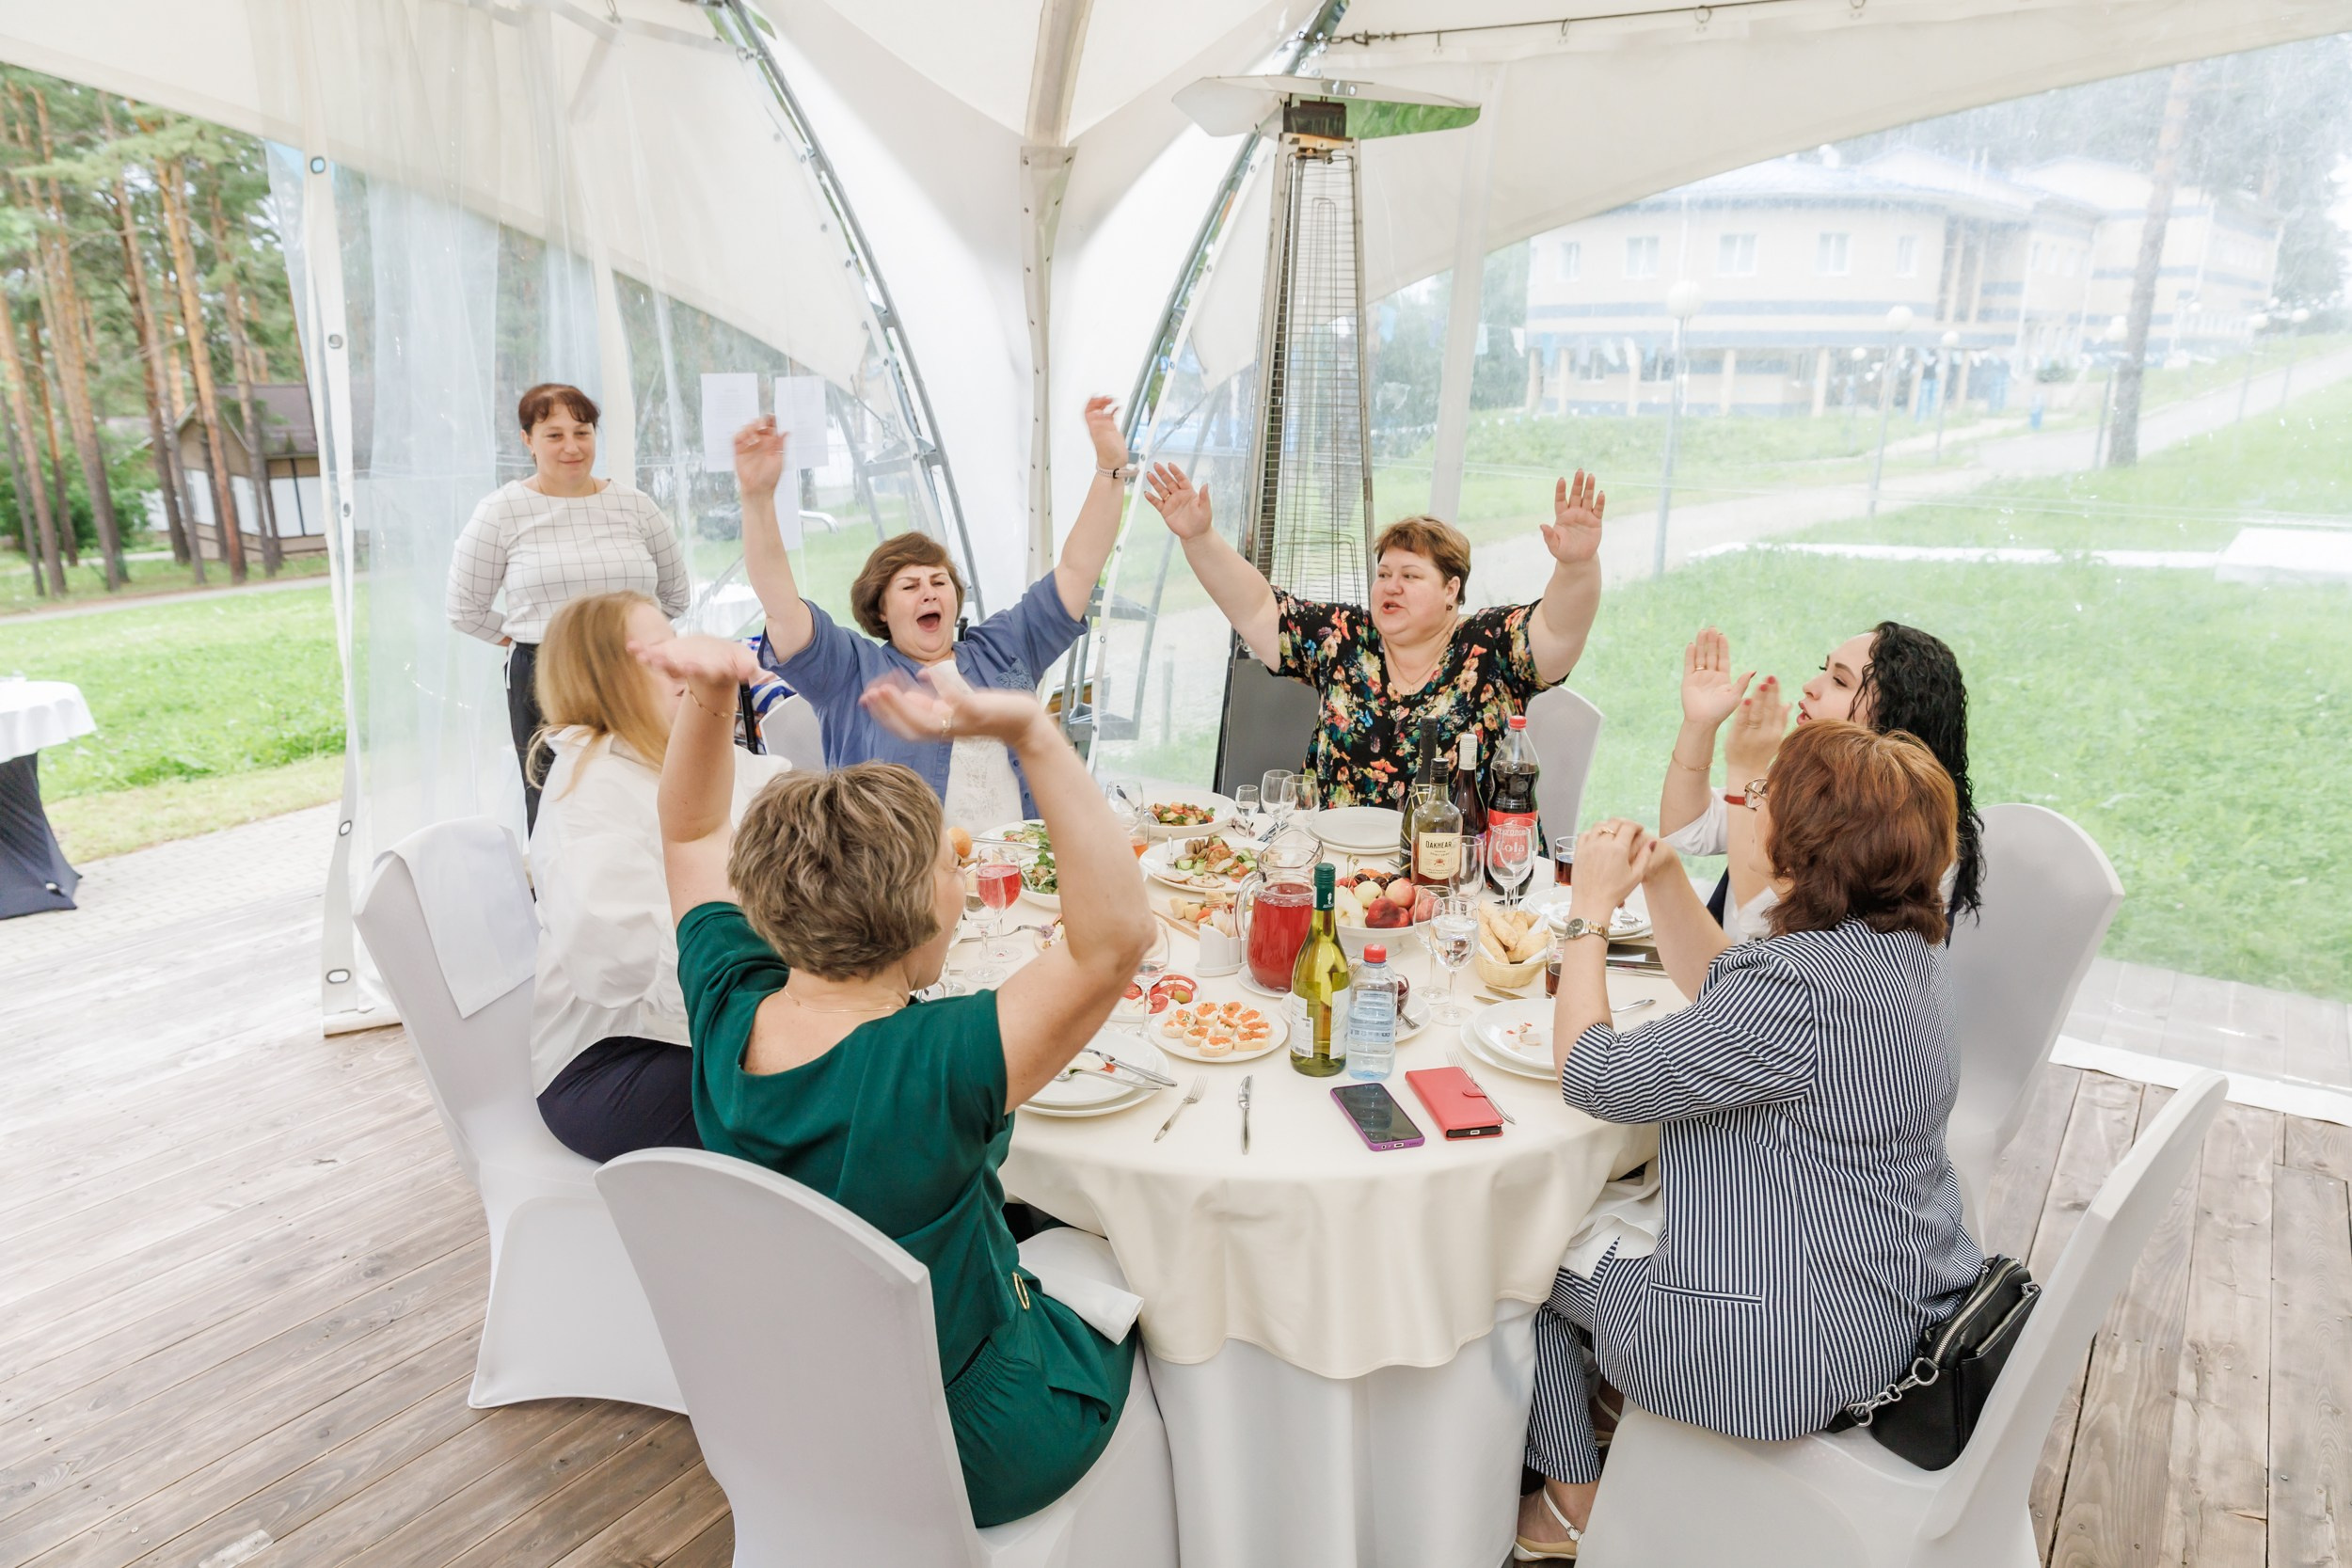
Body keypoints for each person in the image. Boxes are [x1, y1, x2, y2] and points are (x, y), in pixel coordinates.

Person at [638, 631, 1153, 1527]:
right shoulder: (939, 1061)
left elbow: (687, 829)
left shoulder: (726, 1004)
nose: (963, 875)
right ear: (919, 907)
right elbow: (1113, 938)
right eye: (952, 865)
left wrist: (715, 693)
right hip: (970, 1445)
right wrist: (1032, 729)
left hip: (802, 1416)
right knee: (1161, 1301)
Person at [1515, 720, 1983, 1559]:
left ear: (1808, 841)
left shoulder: (1796, 986)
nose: (1749, 804)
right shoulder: (1902, 953)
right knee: (1614, 1216)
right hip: (1894, 1304)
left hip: (1779, 1357)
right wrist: (1663, 876)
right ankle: (1629, 1415)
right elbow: (1724, 988)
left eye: (1764, 795)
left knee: (1526, 1256)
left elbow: (1592, 1071)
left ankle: (1572, 1500)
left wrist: (1586, 915)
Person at [736, 396, 1133, 831]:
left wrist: (1110, 470)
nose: (929, 592)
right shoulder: (852, 670)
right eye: (909, 586)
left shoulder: (1003, 646)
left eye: (939, 582)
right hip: (907, 885)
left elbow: (1078, 570)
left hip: (1021, 875)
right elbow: (781, 605)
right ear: (881, 610)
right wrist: (757, 499)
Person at [1140, 464, 1607, 808]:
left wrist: (1578, 565)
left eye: (1410, 575)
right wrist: (1199, 539)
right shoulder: (1346, 637)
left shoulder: (1488, 645)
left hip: (1458, 882)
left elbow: (1560, 629)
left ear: (1451, 590)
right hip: (1335, 872)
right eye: (1383, 574)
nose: (1391, 586)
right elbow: (1259, 607)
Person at [526, 592, 788, 1162]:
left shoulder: (677, 751)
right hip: (613, 1062)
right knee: (829, 1102)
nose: (680, 657)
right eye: (656, 649)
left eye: (676, 638)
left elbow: (786, 801)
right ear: (603, 678)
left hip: (715, 1023)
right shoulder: (588, 798)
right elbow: (617, 965)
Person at [448, 383, 691, 832]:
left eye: (582, 432)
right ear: (527, 440)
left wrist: (638, 641)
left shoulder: (636, 506)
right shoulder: (501, 511)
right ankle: (560, 896)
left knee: (654, 783)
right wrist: (541, 643)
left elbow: (675, 595)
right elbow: (465, 609)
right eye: (554, 435)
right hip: (546, 677)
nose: (572, 447)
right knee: (557, 797)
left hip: (641, 669)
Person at [1658, 622, 1984, 945]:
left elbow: (1769, 925)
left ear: (1896, 713)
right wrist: (1700, 725)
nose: (1810, 686)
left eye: (1840, 681)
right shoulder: (1812, 783)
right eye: (1823, 670)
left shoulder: (1913, 831)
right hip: (1734, 982)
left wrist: (1746, 768)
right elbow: (1688, 830)